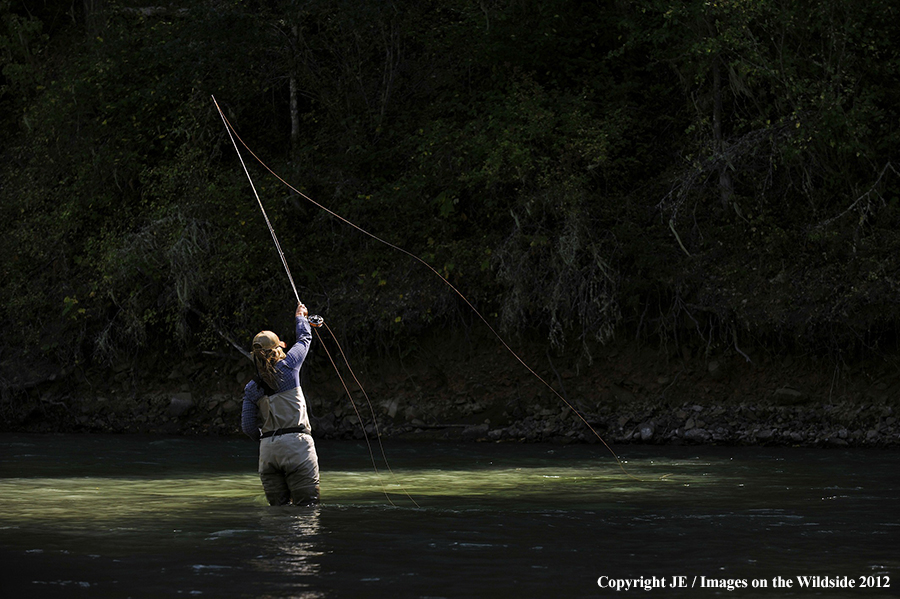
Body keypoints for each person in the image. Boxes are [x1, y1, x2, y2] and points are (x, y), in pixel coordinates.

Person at [241, 302, 319, 506]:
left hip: (268, 451)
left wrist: (267, 439)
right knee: (307, 508)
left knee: (277, 512)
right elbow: (305, 338)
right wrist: (301, 317)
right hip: (297, 446)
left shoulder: (251, 388)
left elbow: (248, 427)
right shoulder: (289, 366)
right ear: (279, 348)